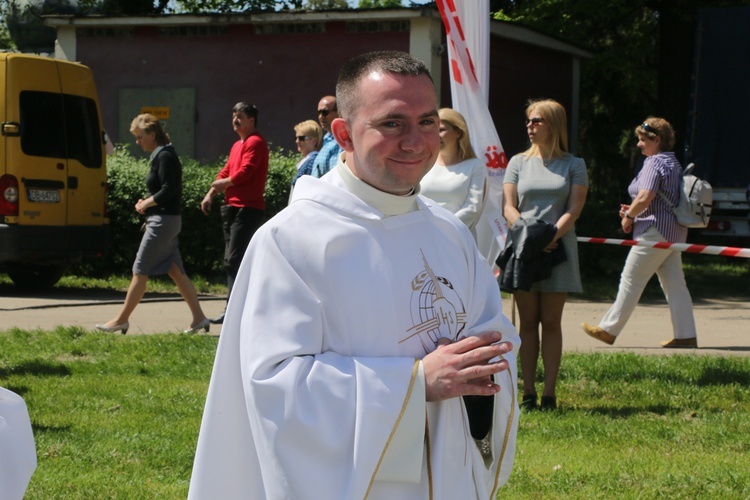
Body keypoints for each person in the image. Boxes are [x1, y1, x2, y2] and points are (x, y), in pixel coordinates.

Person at [188, 50, 521, 499]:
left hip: (446, 473)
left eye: (427, 122)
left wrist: (485, 357)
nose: (416, 141)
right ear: (343, 133)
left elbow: (493, 334)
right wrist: (415, 383)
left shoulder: (449, 233)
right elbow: (275, 387)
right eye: (391, 123)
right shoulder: (292, 240)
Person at [501, 99, 588, 411]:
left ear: (553, 124)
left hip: (558, 249)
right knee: (527, 322)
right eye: (528, 121)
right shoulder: (517, 162)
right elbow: (509, 207)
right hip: (525, 248)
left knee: (551, 322)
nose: (530, 126)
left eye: (537, 120)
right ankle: (528, 392)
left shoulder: (574, 164)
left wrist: (551, 236)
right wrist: (531, 237)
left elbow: (574, 209)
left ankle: (549, 393)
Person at [582, 117, 698, 348]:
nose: (638, 144)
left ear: (657, 140)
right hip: (672, 232)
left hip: (654, 231)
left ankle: (608, 329)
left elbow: (646, 196)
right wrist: (634, 209)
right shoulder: (672, 162)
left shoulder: (654, 163)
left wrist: (630, 216)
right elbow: (658, 199)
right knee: (675, 285)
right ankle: (686, 335)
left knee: (630, 280)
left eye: (643, 140)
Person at [96, 114, 210, 334]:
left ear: (152, 134)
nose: (138, 142)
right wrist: (147, 202)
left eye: (140, 137)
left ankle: (121, 320)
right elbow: (164, 190)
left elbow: (169, 190)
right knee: (176, 271)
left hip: (162, 222)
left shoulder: (165, 156)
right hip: (168, 220)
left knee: (139, 270)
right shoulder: (163, 155)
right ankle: (199, 318)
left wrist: (147, 203)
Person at [201, 102, 269, 325]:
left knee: (235, 259)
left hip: (247, 209)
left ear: (252, 120)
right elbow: (228, 169)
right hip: (232, 207)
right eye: (233, 116)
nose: (235, 120)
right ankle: (234, 309)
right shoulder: (237, 145)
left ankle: (240, 310)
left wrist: (223, 184)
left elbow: (245, 173)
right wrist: (211, 192)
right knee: (232, 260)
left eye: (240, 116)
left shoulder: (255, 143)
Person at [420, 107, 486, 236]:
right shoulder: (423, 162)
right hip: (423, 235)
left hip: (458, 237)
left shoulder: (475, 166)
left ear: (458, 133)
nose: (436, 135)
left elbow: (472, 208)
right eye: (433, 130)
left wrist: (444, 230)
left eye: (442, 130)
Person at [309, 95, 343, 178]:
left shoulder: (343, 140)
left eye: (325, 112)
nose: (320, 117)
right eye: (318, 113)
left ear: (339, 112)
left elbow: (336, 175)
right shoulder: (328, 139)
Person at [290, 119, 323, 187]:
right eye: (296, 138)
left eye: (301, 138)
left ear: (314, 141)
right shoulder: (307, 160)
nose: (297, 141)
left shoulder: (313, 161)